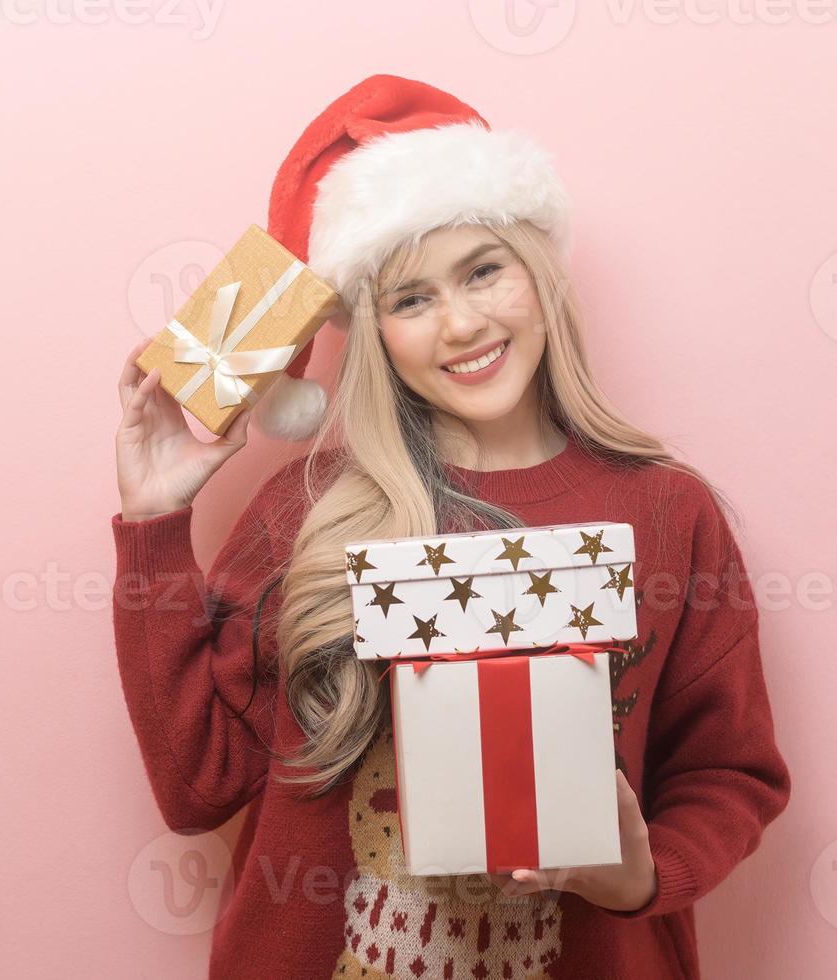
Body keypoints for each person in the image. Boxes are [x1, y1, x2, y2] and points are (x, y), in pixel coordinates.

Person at [110, 75, 788, 979]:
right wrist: (155, 524)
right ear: (373, 329)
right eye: (411, 298)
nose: (461, 323)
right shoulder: (307, 511)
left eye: (482, 270)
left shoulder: (669, 513)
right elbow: (199, 787)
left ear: (538, 271)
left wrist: (638, 874)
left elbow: (730, 772)